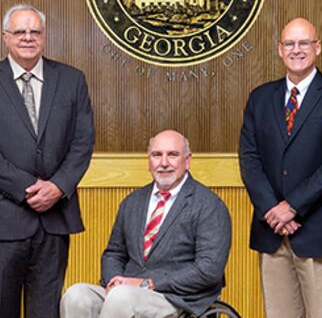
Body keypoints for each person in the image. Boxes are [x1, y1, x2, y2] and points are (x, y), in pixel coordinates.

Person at [0, 3, 95, 318]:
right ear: (5, 37)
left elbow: (82, 142)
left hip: (55, 218)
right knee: (0, 310)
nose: (27, 37)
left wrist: (58, 187)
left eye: (35, 31)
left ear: (45, 36)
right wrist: (29, 187)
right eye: (19, 31)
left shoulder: (71, 80)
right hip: (3, 219)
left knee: (47, 311)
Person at [238, 18, 322, 317]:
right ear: (280, 50)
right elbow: (249, 158)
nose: (297, 50)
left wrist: (292, 207)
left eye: (304, 43)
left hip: (320, 231)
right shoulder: (260, 97)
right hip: (272, 232)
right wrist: (273, 210)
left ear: (317, 47)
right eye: (289, 44)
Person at [60, 130, 232, 318]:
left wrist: (148, 284)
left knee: (121, 298)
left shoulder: (209, 205)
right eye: (157, 155)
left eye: (172, 155)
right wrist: (114, 281)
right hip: (127, 292)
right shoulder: (132, 202)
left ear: (187, 160)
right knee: (76, 295)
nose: (164, 163)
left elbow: (208, 270)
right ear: (149, 161)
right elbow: (114, 253)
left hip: (177, 298)